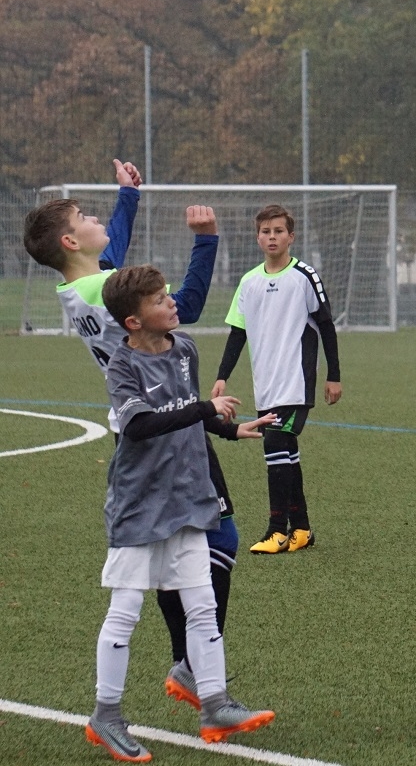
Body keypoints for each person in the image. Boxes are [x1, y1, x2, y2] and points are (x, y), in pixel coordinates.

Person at [22, 161, 237, 712]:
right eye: (84, 216)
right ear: (70, 240)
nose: (97, 220)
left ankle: (190, 663)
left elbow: (110, 246)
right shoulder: (102, 287)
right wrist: (206, 242)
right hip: (166, 424)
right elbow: (185, 306)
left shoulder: (79, 287)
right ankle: (188, 663)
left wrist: (128, 197)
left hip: (151, 423)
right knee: (217, 540)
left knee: (182, 547)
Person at [88, 265, 275, 762]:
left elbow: (188, 410)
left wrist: (229, 429)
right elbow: (140, 426)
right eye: (158, 300)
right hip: (140, 503)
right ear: (133, 321)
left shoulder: (185, 348)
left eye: (168, 295)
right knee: (125, 609)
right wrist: (207, 411)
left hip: (189, 497)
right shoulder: (122, 366)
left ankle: (214, 704)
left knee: (202, 604)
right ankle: (106, 715)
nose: (171, 303)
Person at [213, 204, 342, 554]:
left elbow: (326, 326)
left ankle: (276, 530)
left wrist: (333, 376)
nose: (272, 237)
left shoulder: (304, 276)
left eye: (279, 231)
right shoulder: (248, 281)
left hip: (296, 382)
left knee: (274, 445)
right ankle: (301, 529)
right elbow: (238, 332)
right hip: (266, 384)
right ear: (258, 238)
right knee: (286, 452)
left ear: (291, 237)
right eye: (266, 231)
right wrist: (222, 375)